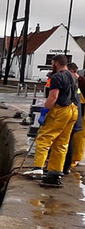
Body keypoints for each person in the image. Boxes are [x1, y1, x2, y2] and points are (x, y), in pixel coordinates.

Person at [24, 54, 79, 186]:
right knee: (61, 142)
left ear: (55, 63)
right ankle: (54, 171)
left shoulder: (56, 77)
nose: (51, 65)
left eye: (52, 63)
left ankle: (38, 169)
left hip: (60, 110)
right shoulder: (73, 76)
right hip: (72, 110)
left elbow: (53, 97)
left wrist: (44, 111)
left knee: (44, 138)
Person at [64, 62, 84, 172]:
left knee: (78, 137)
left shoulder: (80, 82)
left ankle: (74, 160)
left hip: (80, 113)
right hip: (77, 112)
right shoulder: (77, 81)